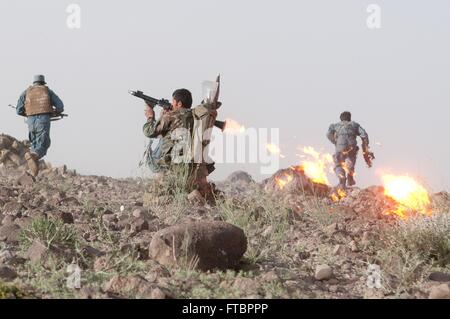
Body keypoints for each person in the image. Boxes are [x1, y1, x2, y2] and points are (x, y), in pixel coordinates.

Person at [16, 75, 64, 177]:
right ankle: (33, 156)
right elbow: (60, 106)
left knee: (34, 144)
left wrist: (27, 113)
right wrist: (55, 112)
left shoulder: (26, 92)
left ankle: (33, 173)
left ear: (34, 83)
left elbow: (18, 110)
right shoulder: (47, 91)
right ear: (43, 83)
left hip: (30, 121)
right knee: (44, 144)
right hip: (43, 120)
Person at [327, 111, 370, 189]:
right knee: (351, 160)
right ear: (349, 118)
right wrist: (365, 146)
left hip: (340, 148)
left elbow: (328, 134)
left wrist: (335, 142)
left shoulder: (335, 125)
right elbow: (364, 134)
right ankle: (350, 176)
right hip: (351, 147)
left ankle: (342, 177)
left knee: (338, 164)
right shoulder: (355, 125)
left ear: (341, 119)